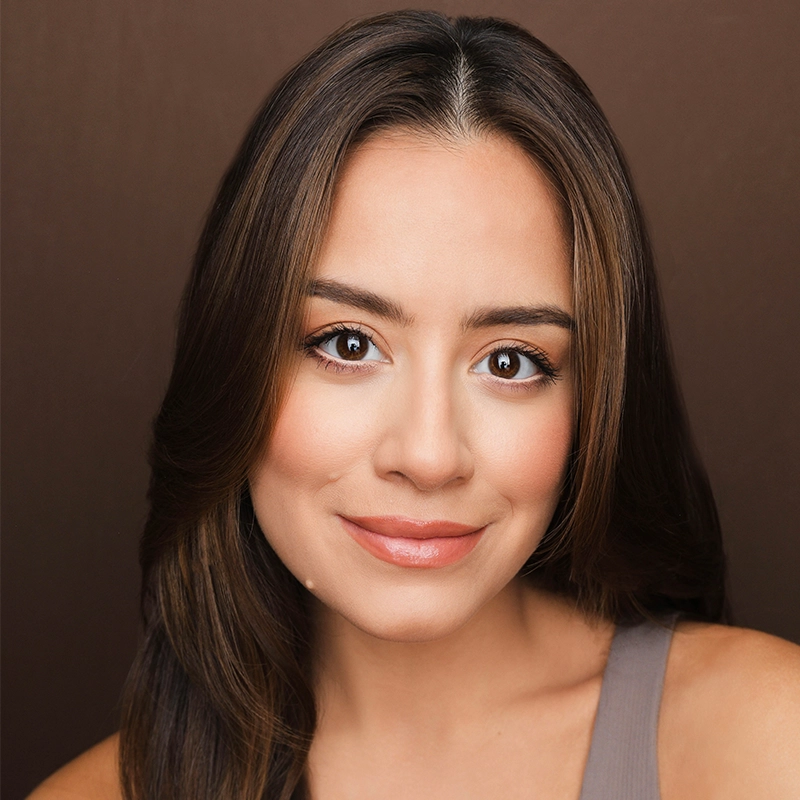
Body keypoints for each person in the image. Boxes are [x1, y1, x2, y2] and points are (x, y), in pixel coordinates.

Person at [30, 10, 800, 800]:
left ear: (597, 401)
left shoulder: (764, 746)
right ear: (235, 361)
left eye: (510, 361)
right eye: (348, 345)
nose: (429, 455)